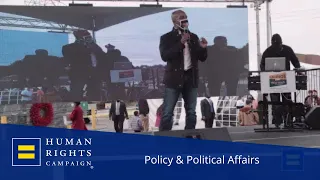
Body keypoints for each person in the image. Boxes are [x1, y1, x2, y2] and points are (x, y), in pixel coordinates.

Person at [159, 10, 208, 131]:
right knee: (168, 112)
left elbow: (202, 58)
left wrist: (203, 48)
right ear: (174, 21)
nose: (185, 19)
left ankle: (189, 138)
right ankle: (165, 140)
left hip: (191, 78)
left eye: (186, 17)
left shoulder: (193, 37)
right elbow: (165, 56)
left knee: (191, 112)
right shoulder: (167, 37)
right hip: (173, 79)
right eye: (181, 17)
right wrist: (181, 43)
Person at [260, 34, 301, 128]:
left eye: (278, 45)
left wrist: (298, 68)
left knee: (287, 101)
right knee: (275, 102)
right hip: (273, 81)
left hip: (286, 80)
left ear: (281, 43)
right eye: (275, 45)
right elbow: (262, 65)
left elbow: (295, 61)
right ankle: (277, 122)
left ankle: (288, 121)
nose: (277, 47)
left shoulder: (287, 49)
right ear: (272, 44)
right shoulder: (268, 51)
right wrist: (266, 72)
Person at [62, 30, 105, 101]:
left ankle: (93, 110)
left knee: (95, 94)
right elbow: (69, 57)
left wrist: (93, 45)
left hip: (94, 75)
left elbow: (102, 55)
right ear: (78, 38)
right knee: (76, 94)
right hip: (78, 74)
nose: (88, 39)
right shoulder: (69, 47)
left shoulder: (93, 47)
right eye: (86, 37)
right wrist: (80, 45)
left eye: (89, 37)